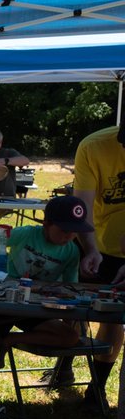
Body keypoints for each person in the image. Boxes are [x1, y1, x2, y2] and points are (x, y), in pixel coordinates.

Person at [0, 197, 92, 368]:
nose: (69, 236)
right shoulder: (26, 234)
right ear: (46, 223)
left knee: (70, 337)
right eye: (64, 230)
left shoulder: (72, 252)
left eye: (75, 231)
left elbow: (71, 289)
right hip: (6, 300)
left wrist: (69, 318)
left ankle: (8, 340)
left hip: (36, 309)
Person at [68, 123, 125, 401]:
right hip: (101, 242)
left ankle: (97, 389)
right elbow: (82, 208)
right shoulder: (94, 146)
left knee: (113, 320)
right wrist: (90, 249)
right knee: (78, 306)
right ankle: (64, 365)